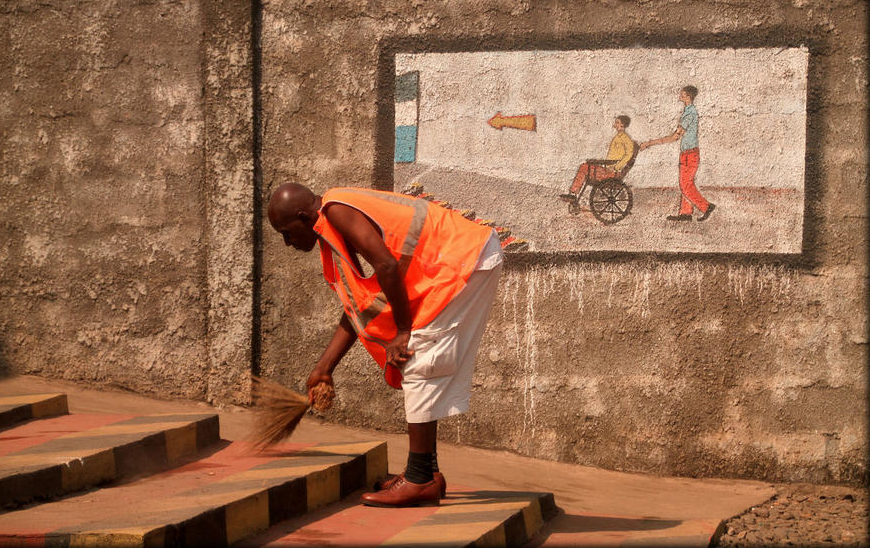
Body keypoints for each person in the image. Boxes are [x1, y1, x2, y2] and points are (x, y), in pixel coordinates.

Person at [266, 183, 504, 507]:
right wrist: (324, 368)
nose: (286, 242)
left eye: (286, 232)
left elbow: (388, 266)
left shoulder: (336, 209)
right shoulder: (333, 227)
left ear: (304, 217)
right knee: (419, 360)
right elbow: (362, 306)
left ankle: (418, 479)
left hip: (464, 259)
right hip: (462, 260)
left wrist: (403, 331)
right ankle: (427, 473)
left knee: (418, 359)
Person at [640, 85, 716, 222]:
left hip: (689, 154)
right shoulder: (688, 111)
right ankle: (685, 213)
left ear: (688, 96)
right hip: (687, 153)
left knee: (685, 185)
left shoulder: (689, 113)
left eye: (683, 94)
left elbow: (675, 136)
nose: (680, 95)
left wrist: (650, 143)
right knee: (686, 183)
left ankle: (706, 206)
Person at [560, 115, 636, 213]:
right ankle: (574, 195)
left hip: (613, 172)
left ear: (622, 124)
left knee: (584, 167)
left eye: (617, 122)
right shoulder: (618, 137)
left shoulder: (626, 139)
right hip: (610, 168)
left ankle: (573, 193)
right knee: (585, 167)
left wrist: (617, 166)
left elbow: (628, 155)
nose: (615, 125)